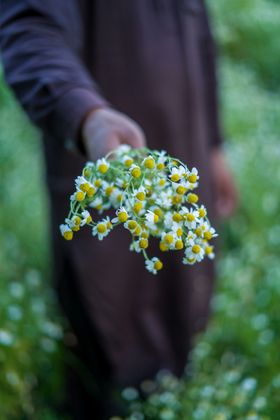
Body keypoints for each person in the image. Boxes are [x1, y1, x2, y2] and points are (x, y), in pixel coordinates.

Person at [0, 0, 237, 418]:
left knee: (182, 310)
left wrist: (213, 144)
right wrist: (86, 114)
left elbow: (198, 34)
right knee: (107, 328)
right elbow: (30, 30)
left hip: (183, 168)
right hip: (107, 168)